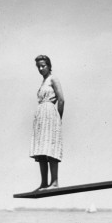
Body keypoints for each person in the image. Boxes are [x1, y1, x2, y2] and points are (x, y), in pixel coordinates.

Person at [29, 55, 64, 191]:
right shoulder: (43, 82)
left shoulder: (53, 79)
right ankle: (44, 183)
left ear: (49, 65)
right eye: (38, 66)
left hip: (50, 114)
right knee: (41, 149)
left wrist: (58, 119)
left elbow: (61, 99)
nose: (41, 68)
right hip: (41, 116)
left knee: (50, 146)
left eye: (43, 65)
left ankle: (54, 182)